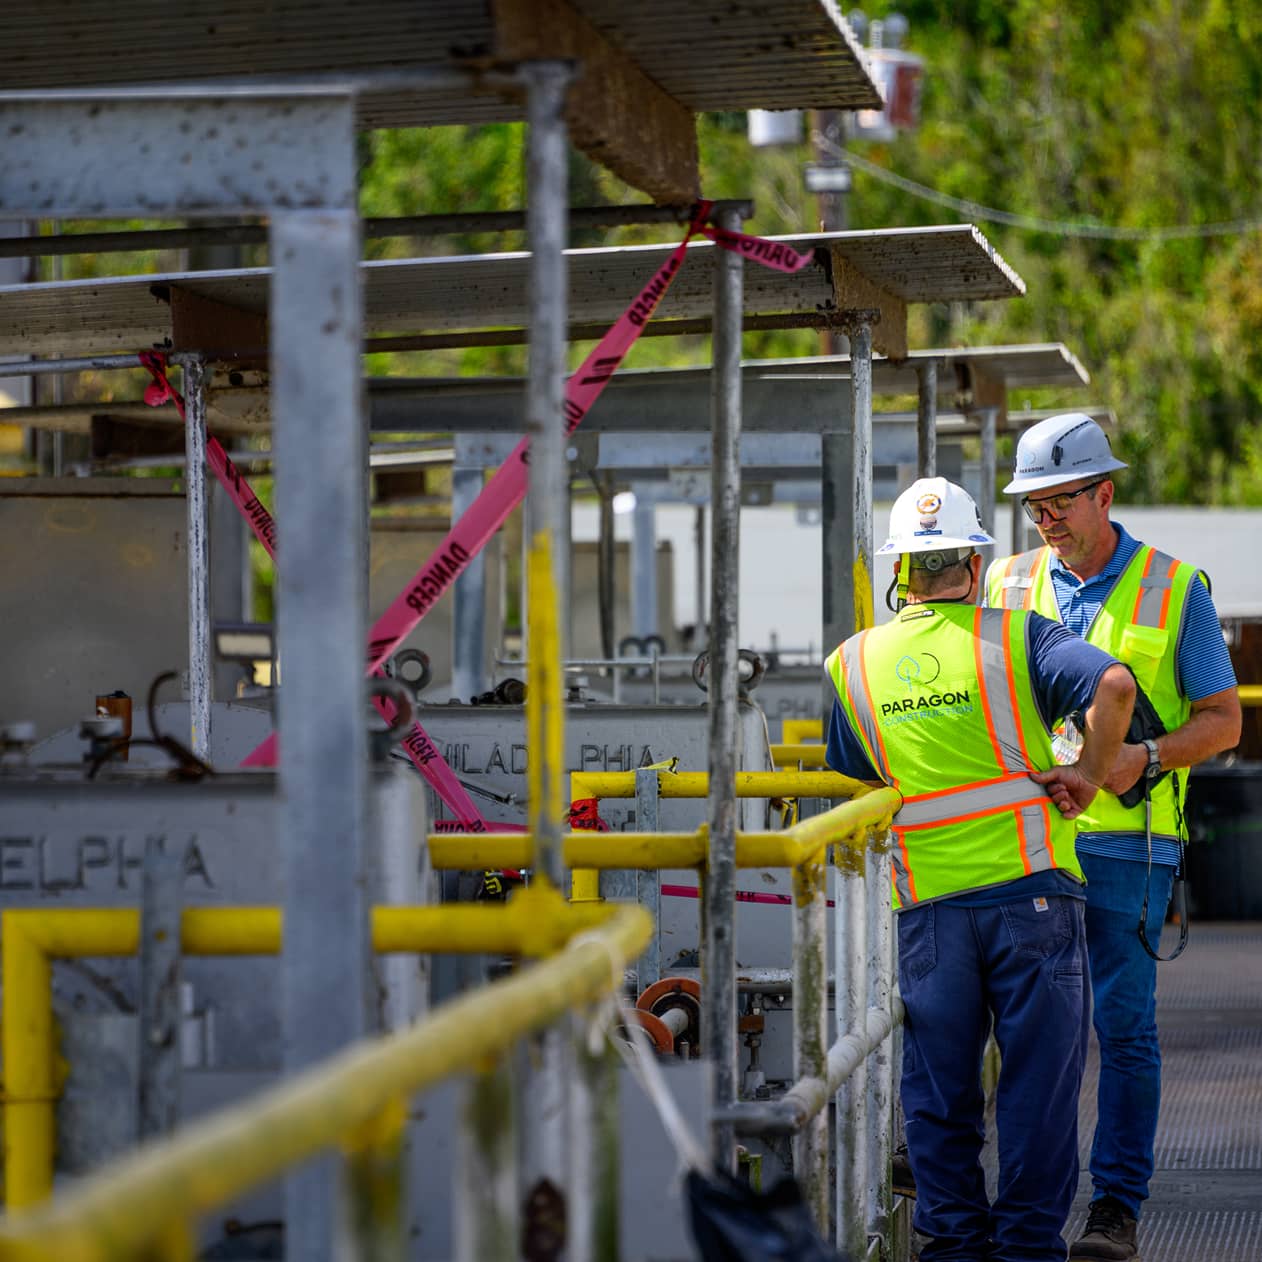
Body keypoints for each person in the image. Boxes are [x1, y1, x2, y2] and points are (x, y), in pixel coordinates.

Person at [825, 477, 1136, 1262]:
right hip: (1033, 894)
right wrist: (1090, 777)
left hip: (928, 906)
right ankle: (1029, 1249)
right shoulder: (1015, 635)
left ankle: (953, 1247)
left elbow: (859, 790)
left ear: (902, 570)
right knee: (1036, 1087)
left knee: (937, 1092)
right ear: (971, 558)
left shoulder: (852, 663)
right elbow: (1114, 686)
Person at [985, 414, 1242, 1261]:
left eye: (1060, 501)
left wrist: (1149, 756)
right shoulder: (1006, 585)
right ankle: (1022, 1202)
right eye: (1033, 505)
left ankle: (1115, 1209)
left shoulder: (1177, 590)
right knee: (1023, 1025)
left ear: (1105, 492)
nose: (1045, 519)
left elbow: (1225, 721)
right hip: (1027, 841)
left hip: (1128, 844)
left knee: (1123, 1026)